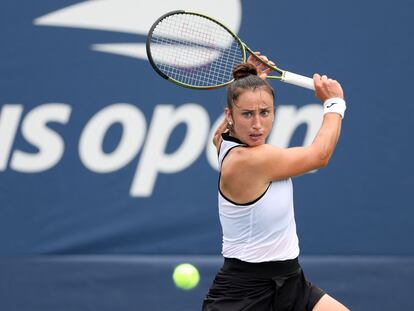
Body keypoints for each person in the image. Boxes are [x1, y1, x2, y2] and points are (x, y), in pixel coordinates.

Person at [202, 53, 349, 311]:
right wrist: (334, 104)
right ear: (230, 115)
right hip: (243, 295)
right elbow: (319, 156)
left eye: (264, 112)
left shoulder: (221, 138)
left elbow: (224, 125)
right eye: (247, 114)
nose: (257, 124)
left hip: (291, 282)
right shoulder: (248, 161)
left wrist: (251, 81)